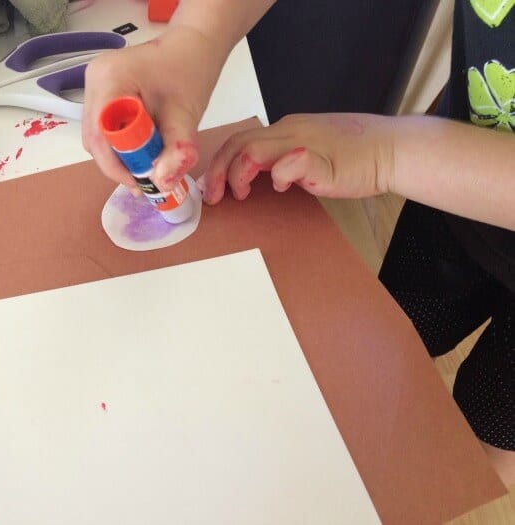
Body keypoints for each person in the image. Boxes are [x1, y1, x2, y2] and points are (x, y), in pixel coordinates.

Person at [82, 1, 515, 485]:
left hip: (450, 171)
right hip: (453, 183)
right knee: (400, 338)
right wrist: (194, 39)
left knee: (493, 440)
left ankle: (436, 485)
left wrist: (385, 152)